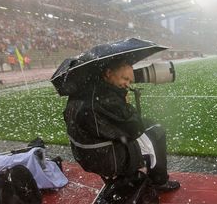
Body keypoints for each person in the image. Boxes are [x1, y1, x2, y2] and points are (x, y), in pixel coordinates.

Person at [63, 58, 180, 192]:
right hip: (106, 158)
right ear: (108, 73)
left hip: (85, 153)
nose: (127, 84)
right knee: (157, 132)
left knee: (149, 124)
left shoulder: (84, 91)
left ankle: (152, 177)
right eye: (125, 79)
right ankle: (159, 181)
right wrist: (125, 103)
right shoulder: (106, 100)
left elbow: (109, 126)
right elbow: (135, 129)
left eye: (130, 81)